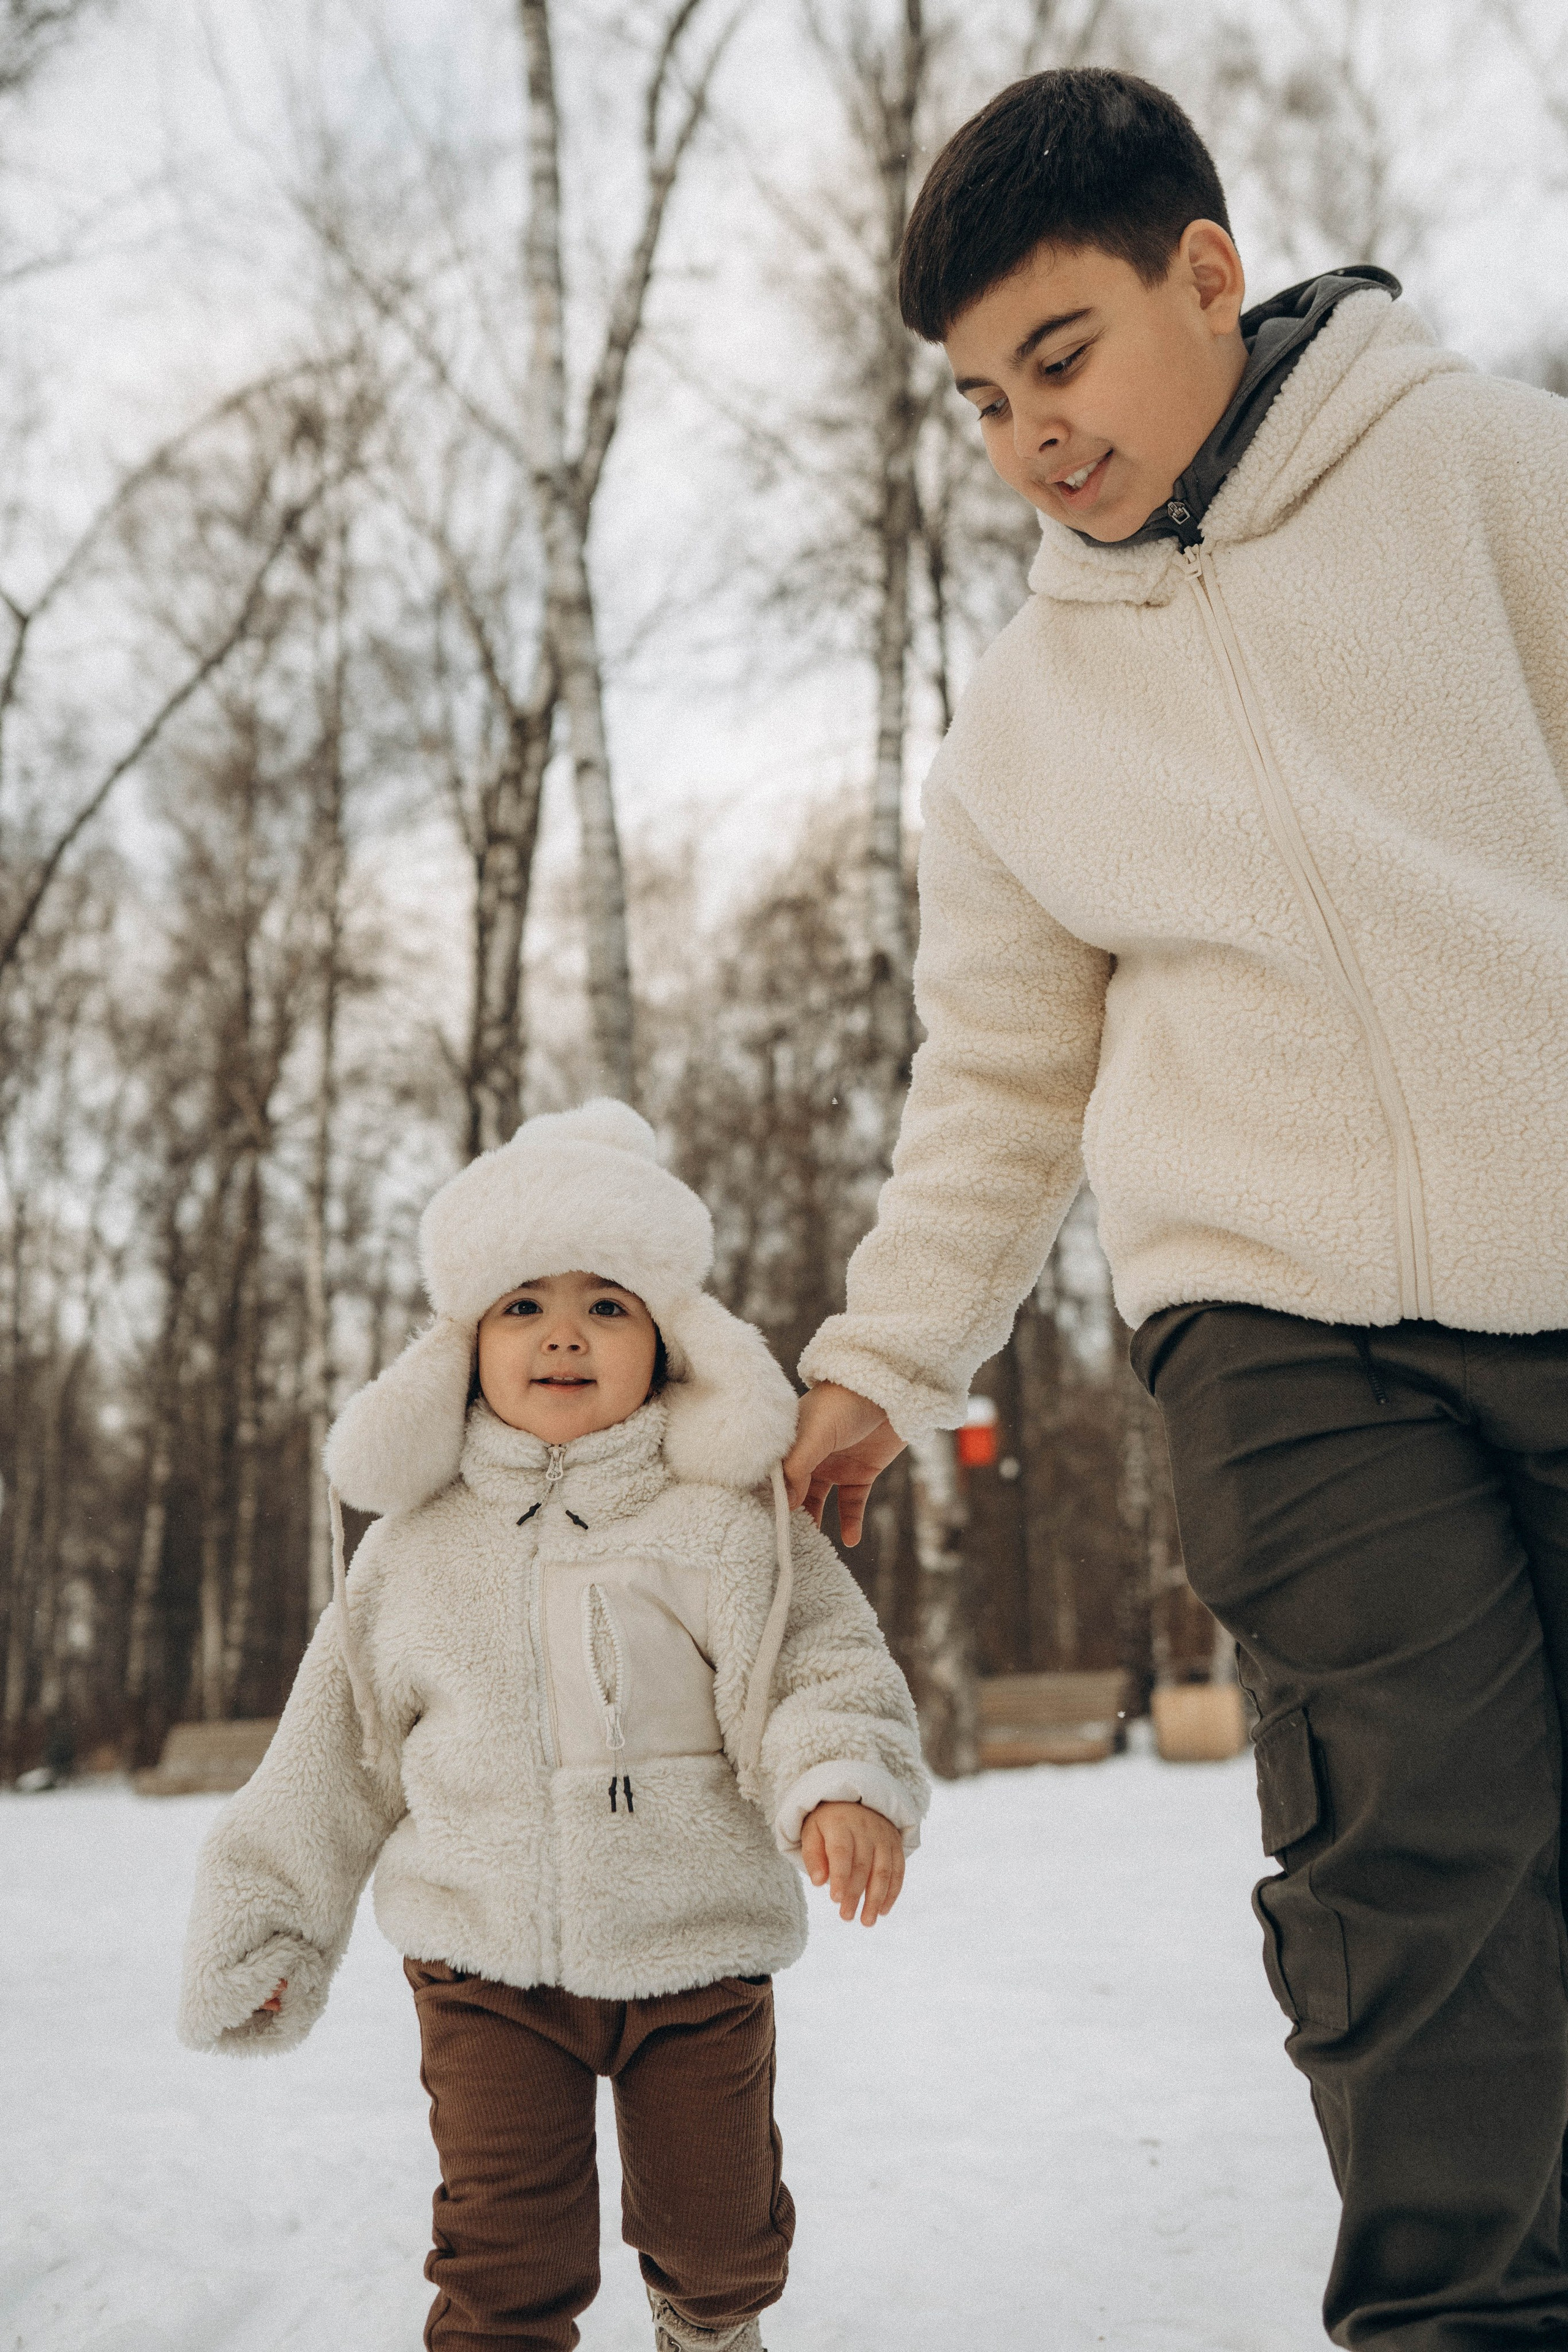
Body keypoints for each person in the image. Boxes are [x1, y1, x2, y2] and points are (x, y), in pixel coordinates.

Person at [783, 62, 1568, 2352]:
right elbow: (1001, 1090)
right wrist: (877, 1362)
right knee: (1416, 1832)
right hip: (1281, 1332)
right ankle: (1466, 2320)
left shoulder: (1492, 477)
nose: (1030, 430)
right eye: (976, 397)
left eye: (1064, 354)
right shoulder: (1024, 731)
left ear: (1204, 275)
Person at [179, 1099, 928, 2352]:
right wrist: (269, 1924)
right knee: (501, 2257)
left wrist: (843, 1776)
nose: (564, 1333)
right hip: (481, 1963)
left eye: (607, 1303)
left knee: (717, 2234)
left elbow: (821, 1663)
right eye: (522, 1303)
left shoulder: (722, 1517)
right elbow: (332, 1756)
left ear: (667, 1337)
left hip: (693, 1946)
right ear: (463, 1343)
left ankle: (707, 2321)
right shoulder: (412, 1555)